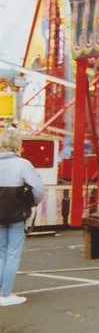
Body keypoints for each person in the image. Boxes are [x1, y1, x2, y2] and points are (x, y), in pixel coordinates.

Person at [0, 127, 46, 307]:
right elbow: (38, 189)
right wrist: (32, 203)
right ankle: (5, 294)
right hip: (17, 214)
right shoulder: (23, 164)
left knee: (1, 252)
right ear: (17, 145)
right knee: (13, 253)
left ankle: (0, 291)